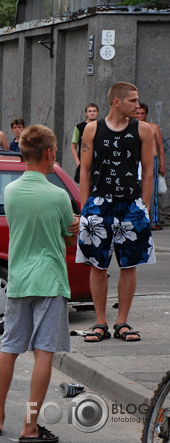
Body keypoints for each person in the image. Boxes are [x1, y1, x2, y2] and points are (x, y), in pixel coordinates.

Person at [0, 124, 79, 443]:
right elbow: (66, 234)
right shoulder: (59, 195)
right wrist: (72, 228)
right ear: (49, 154)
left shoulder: (10, 192)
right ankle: (30, 425)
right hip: (50, 281)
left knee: (9, 348)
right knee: (44, 352)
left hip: (19, 279)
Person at [77, 81, 155, 343]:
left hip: (130, 204)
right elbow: (85, 170)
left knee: (129, 264)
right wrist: (85, 206)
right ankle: (100, 322)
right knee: (97, 265)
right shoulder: (92, 129)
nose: (137, 105)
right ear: (117, 102)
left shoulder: (143, 129)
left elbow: (148, 171)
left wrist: (143, 207)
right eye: (133, 100)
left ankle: (122, 321)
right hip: (99, 204)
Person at [136, 102, 166, 230]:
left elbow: (160, 147)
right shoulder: (132, 127)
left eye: (142, 113)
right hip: (136, 160)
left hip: (151, 159)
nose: (140, 116)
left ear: (146, 114)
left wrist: (162, 164)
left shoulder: (153, 127)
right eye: (138, 113)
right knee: (136, 189)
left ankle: (153, 220)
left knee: (152, 190)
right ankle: (138, 218)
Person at [70, 103, 99, 183]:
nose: (92, 113)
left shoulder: (101, 126)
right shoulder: (79, 127)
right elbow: (73, 146)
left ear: (97, 113)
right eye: (90, 111)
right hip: (83, 163)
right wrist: (77, 162)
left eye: (94, 111)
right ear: (86, 113)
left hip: (98, 163)